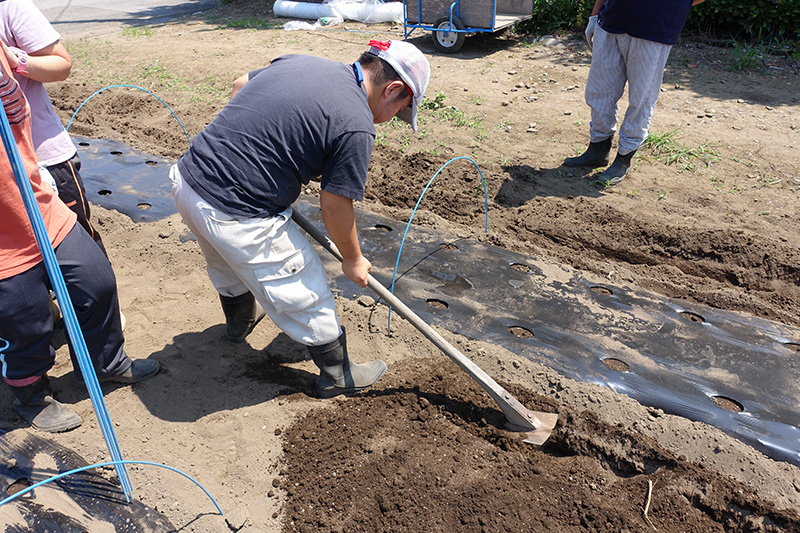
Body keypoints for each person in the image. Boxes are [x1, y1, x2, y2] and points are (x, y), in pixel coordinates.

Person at [170, 40, 430, 398]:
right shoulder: (356, 123)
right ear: (394, 89)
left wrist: (248, 148)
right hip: (237, 211)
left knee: (223, 261)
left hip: (188, 180)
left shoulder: (304, 63)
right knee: (303, 287)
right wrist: (353, 260)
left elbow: (240, 85)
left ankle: (239, 323)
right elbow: (335, 206)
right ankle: (339, 376)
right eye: (399, 111)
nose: (388, 122)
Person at [0, 51, 159, 433]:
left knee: (96, 281)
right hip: (4, 243)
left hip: (40, 208)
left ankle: (108, 362)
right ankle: (32, 393)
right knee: (25, 324)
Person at [0, 0, 105, 253]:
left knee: (81, 253)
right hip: (5, 174)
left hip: (45, 158)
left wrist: (15, 61)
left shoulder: (10, 7)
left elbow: (61, 65)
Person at [565, 0, 706, 185]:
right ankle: (598, 149)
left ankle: (624, 159)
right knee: (599, 91)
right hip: (611, 19)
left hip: (655, 27)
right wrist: (595, 15)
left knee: (641, 98)